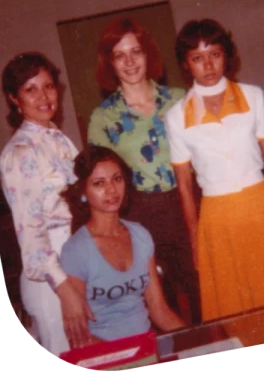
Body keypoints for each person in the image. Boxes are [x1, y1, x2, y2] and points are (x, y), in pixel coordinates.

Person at [164, 19, 264, 321]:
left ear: (227, 55)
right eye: (197, 58)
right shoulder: (176, 116)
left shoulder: (253, 96)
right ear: (185, 64)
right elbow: (184, 186)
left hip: (262, 206)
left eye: (215, 54)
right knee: (236, 306)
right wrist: (195, 240)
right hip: (217, 218)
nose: (208, 65)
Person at [86, 18, 200, 324]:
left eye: (135, 51)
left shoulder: (180, 99)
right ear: (110, 63)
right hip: (139, 214)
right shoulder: (103, 118)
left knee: (204, 290)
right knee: (158, 303)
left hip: (188, 204)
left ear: (147, 53)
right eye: (119, 55)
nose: (130, 62)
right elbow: (100, 181)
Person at [0, 53, 86, 355]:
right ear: (14, 98)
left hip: (74, 259)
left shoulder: (58, 139)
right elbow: (32, 236)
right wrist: (65, 291)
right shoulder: (20, 152)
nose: (44, 97)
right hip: (51, 278)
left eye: (48, 86)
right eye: (31, 89)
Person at [58, 146, 188, 345]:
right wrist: (131, 357)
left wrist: (196, 339)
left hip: (149, 345)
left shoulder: (140, 235)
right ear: (83, 190)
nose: (111, 189)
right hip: (106, 352)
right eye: (99, 183)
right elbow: (80, 337)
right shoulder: (76, 250)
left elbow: (160, 311)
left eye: (117, 179)